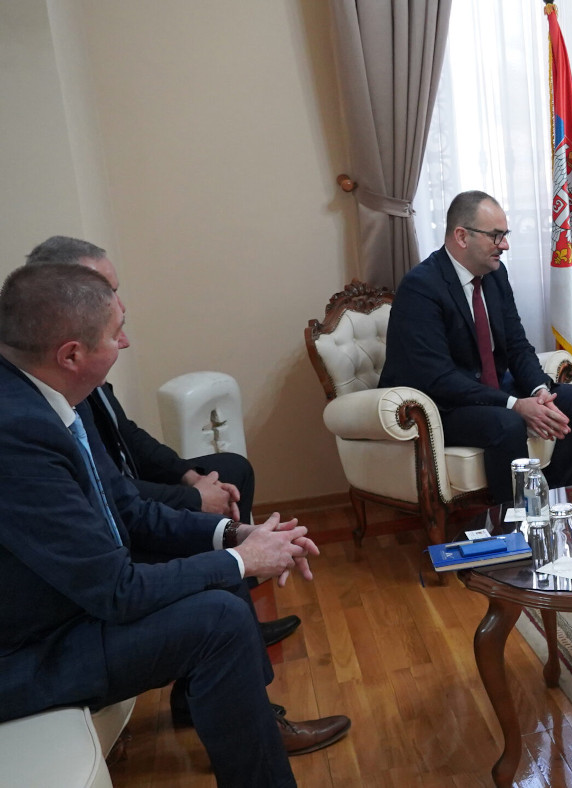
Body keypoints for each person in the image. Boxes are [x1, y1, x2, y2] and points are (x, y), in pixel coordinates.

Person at [0, 264, 349, 787]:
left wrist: (234, 536)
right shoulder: (16, 433)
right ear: (71, 355)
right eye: (116, 333)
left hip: (65, 607)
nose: (125, 341)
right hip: (25, 653)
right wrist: (241, 560)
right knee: (219, 618)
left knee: (221, 591)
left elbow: (128, 509)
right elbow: (116, 591)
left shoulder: (48, 397)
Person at [25, 236, 300, 649]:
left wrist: (193, 480)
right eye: (105, 293)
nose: (120, 313)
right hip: (76, 611)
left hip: (129, 510)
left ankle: (243, 607)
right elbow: (116, 523)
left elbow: (128, 440)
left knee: (231, 469)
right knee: (218, 604)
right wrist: (212, 519)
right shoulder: (38, 415)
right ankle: (237, 616)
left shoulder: (71, 382)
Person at [379, 190, 572, 503]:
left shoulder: (495, 275)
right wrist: (514, 404)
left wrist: (540, 392)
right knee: (507, 423)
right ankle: (513, 521)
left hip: (487, 391)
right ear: (462, 236)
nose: (505, 245)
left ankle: (551, 502)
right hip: (439, 407)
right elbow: (438, 378)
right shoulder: (422, 287)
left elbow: (517, 345)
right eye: (496, 236)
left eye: (505, 235)